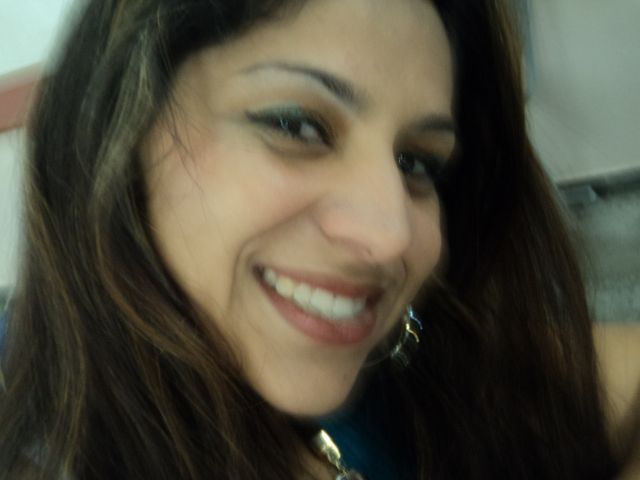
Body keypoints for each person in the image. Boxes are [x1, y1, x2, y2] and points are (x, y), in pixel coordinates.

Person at [0, 0, 638, 478]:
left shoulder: (415, 368)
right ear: (118, 131)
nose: (391, 235)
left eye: (417, 163)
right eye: (297, 125)